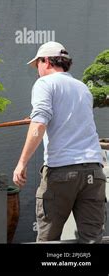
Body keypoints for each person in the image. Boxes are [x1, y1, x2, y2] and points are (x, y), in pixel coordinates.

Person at [13, 41, 106, 243]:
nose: (37, 70)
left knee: (48, 240)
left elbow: (39, 125)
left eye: (37, 64)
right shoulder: (83, 88)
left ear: (46, 61)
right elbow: (70, 120)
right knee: (92, 240)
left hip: (62, 171)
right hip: (94, 172)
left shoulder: (44, 84)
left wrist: (22, 163)